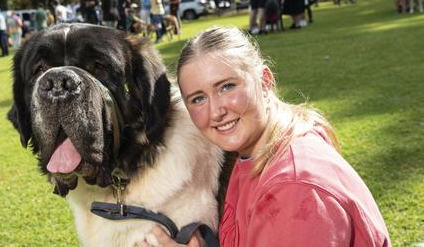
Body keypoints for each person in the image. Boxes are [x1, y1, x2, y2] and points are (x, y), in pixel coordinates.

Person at [140, 26, 390, 247]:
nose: (216, 111)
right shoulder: (256, 153)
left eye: (227, 86)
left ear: (265, 80)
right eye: (198, 99)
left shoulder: (293, 189)